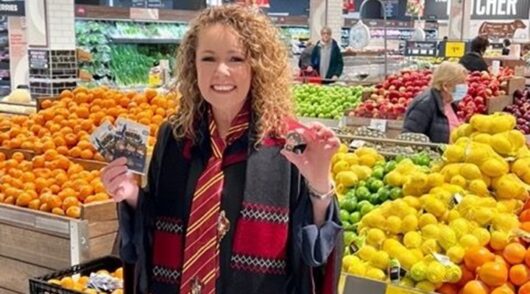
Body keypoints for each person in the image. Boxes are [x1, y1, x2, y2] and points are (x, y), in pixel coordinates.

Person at [101, 5, 343, 294]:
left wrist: (318, 187)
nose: (221, 71)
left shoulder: (290, 142)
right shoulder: (176, 137)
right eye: (208, 58)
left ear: (257, 66)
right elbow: (152, 227)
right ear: (193, 66)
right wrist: (130, 195)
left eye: (236, 58)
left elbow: (313, 255)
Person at [403, 62, 467, 143]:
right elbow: (409, 138)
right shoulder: (425, 104)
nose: (465, 87)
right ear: (446, 86)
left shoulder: (449, 103)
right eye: (461, 83)